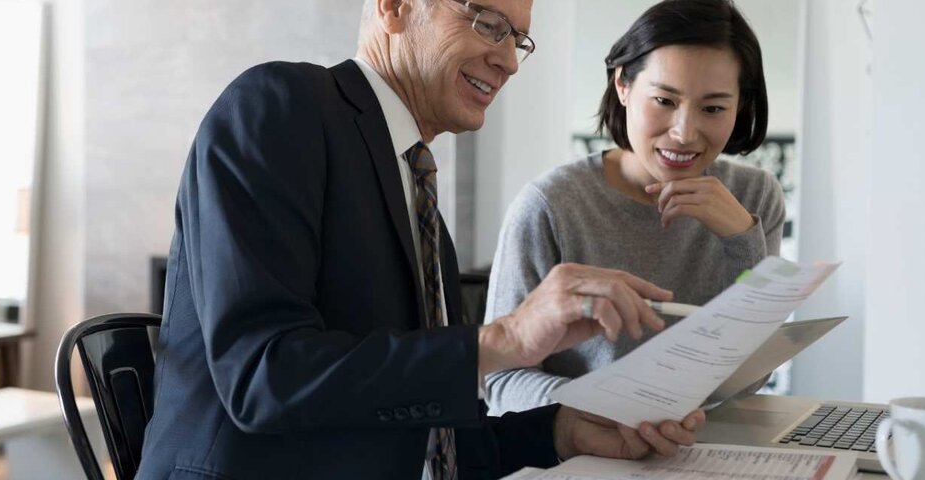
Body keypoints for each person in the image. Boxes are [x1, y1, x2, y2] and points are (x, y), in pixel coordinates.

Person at [140, 1, 708, 479]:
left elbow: (432, 442)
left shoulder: (413, 185)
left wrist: (563, 430)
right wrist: (506, 338)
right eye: (488, 23)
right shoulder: (280, 105)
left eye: (518, 39)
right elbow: (265, 378)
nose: (509, 61)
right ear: (394, 7)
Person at [482, 0, 786, 415]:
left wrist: (742, 241)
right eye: (664, 100)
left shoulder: (755, 197)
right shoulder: (549, 206)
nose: (684, 133)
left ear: (740, 107)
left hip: (707, 442)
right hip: (584, 443)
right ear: (623, 85)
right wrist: (607, 414)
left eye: (713, 108)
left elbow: (749, 381)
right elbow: (500, 380)